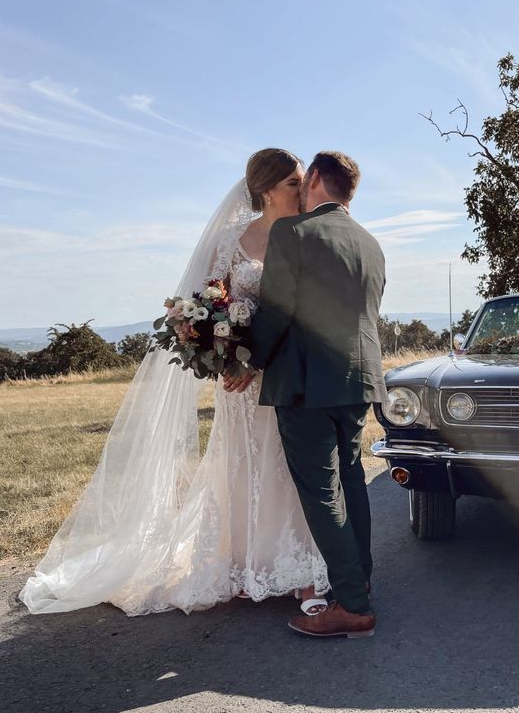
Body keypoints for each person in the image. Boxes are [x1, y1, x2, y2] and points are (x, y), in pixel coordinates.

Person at [19, 149, 330, 616]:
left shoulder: (305, 235)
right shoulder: (231, 240)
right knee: (244, 465)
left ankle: (300, 568)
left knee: (290, 466)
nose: (302, 191)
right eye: (293, 183)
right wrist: (224, 354)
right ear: (266, 190)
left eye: (303, 182)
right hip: (239, 382)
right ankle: (245, 566)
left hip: (286, 372)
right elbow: (206, 303)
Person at [228, 151, 386, 638]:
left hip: (306, 384)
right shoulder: (370, 242)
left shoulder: (291, 234)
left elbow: (275, 313)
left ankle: (353, 607)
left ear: (315, 178)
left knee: (322, 491)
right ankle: (359, 582)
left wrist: (247, 361)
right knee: (352, 480)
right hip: (359, 381)